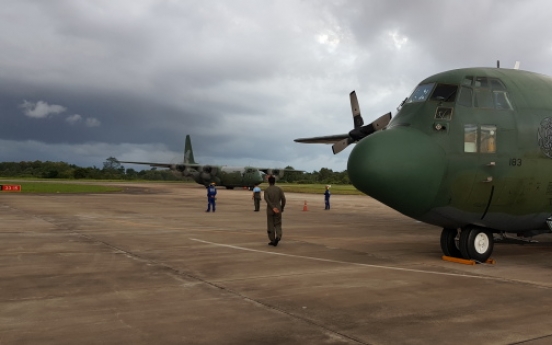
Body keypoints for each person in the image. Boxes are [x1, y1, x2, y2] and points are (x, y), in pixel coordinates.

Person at [264, 175, 286, 246]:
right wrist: (282, 207)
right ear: (274, 181)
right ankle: (278, 237)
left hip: (270, 209)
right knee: (278, 224)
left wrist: (272, 207)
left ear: (268, 182)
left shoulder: (267, 190)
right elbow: (283, 199)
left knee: (270, 224)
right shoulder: (279, 189)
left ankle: (272, 239)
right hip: (278, 208)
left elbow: (266, 199)